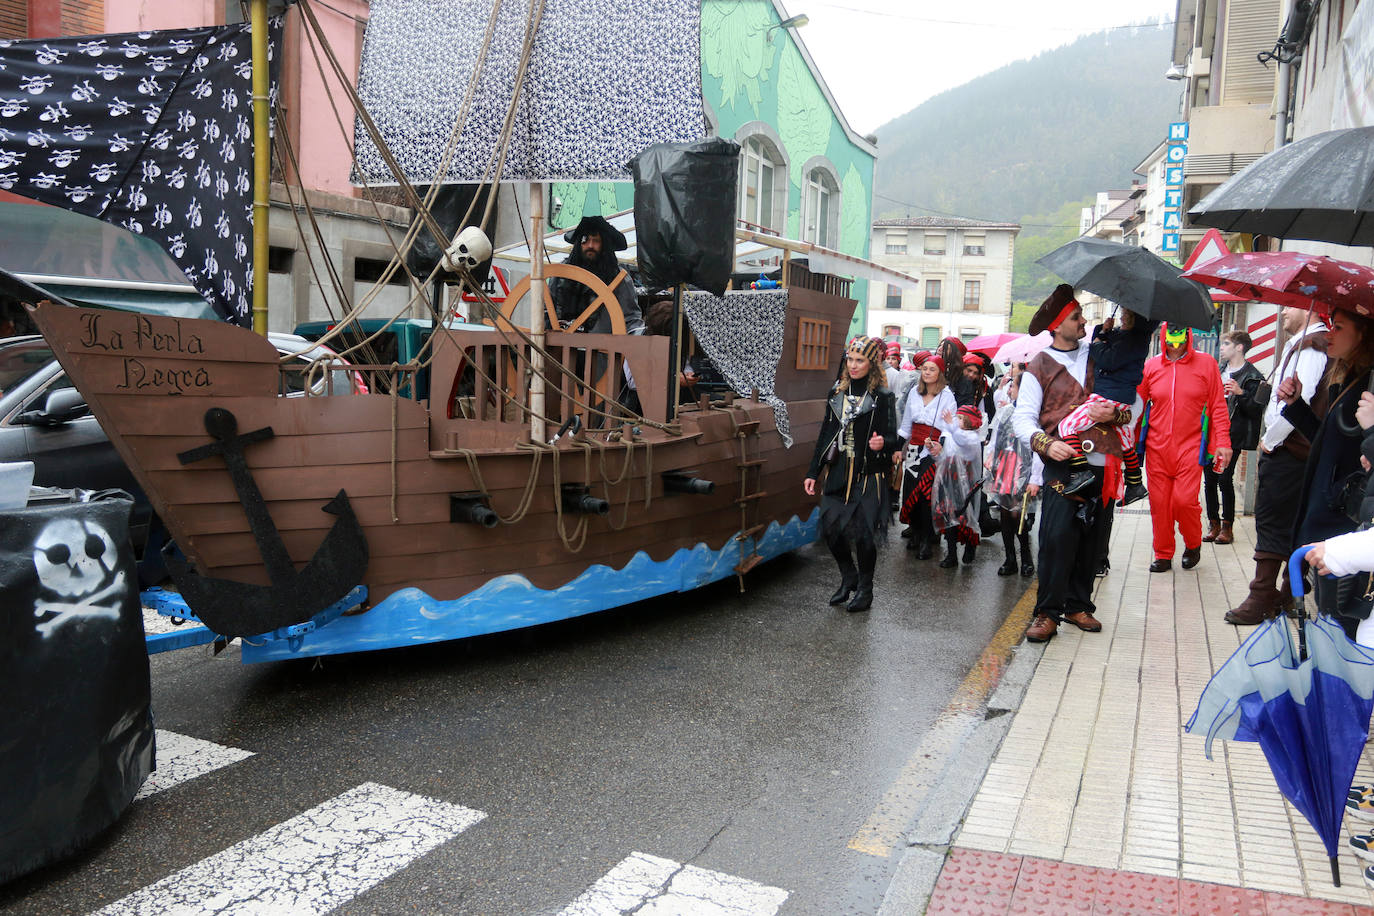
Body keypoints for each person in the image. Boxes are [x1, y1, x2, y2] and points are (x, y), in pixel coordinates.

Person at [1013, 285, 1131, 642]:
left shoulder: (1100, 356)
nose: (1083, 322)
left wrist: (1117, 413)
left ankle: (1078, 604)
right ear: (1057, 324)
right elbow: (1023, 419)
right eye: (1076, 317)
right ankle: (1046, 612)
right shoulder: (1039, 365)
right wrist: (1048, 446)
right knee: (1056, 538)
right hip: (1062, 464)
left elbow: (1131, 406)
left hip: (1103, 463)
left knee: (1092, 539)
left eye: (1081, 316)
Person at [1225, 307, 1328, 625]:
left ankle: (1263, 596)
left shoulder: (1311, 347)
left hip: (1289, 449)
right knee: (1291, 524)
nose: (1284, 312)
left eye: (1292, 306)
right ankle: (1287, 595)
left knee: (1273, 521)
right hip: (1293, 449)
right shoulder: (1303, 343)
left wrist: (1272, 438)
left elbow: (1304, 398)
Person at [1276, 303, 1374, 638]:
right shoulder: (1346, 379)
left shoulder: (1369, 388)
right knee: (1331, 624)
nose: (1330, 333)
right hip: (1325, 517)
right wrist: (1296, 407)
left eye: (1341, 327)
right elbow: (1327, 444)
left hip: (1344, 525)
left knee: (1341, 631)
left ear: (1364, 334)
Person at [804, 336, 897, 613]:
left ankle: (866, 590)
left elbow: (893, 436)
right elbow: (824, 434)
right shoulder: (836, 392)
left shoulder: (882, 397)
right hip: (839, 470)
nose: (853, 365)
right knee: (831, 529)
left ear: (872, 364)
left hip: (869, 474)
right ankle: (849, 577)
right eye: (851, 359)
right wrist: (813, 471)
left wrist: (884, 444)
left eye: (860, 360)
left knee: (865, 535)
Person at [1135, 324, 1231, 572]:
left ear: (1188, 338)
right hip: (1157, 448)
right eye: (1169, 340)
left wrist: (1223, 442)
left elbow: (1218, 406)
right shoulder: (1151, 366)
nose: (1173, 346)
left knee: (1184, 501)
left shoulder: (1206, 364)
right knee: (1159, 504)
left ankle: (1192, 543)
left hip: (1190, 446)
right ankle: (1163, 553)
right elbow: (1136, 406)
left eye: (1179, 340)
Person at [1055, 308, 1157, 505]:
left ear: (1137, 319)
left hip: (1109, 395)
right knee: (1125, 437)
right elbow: (1107, 347)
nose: (1122, 316)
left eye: (1127, 313)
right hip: (1116, 394)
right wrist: (1103, 331)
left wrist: (1097, 342)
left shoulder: (1134, 340)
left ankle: (1080, 472)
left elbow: (1108, 360)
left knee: (1067, 426)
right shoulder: (1128, 335)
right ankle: (1135, 484)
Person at [1203, 330, 1265, 545]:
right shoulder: (1219, 370)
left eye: (1227, 343)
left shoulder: (1253, 376)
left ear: (1239, 347)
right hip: (1212, 433)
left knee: (1224, 478)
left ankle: (1227, 526)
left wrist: (1241, 393)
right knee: (1209, 479)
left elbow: (1257, 410)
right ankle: (1213, 524)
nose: (1222, 347)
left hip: (1233, 436)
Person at [896, 353, 958, 558]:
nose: (927, 372)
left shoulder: (947, 396)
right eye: (925, 369)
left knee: (926, 496)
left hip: (933, 451)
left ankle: (926, 539)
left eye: (932, 369)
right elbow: (906, 424)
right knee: (910, 491)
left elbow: (950, 427)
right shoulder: (914, 392)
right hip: (914, 448)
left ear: (940, 373)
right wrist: (898, 448)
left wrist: (941, 445)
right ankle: (915, 532)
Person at [549, 215, 645, 335]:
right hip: (560, 349)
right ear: (579, 244)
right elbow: (546, 310)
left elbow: (631, 319)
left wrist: (638, 337)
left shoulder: (619, 279)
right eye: (585, 240)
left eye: (596, 241)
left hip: (601, 350)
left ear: (604, 245)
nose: (590, 245)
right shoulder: (561, 274)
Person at [986, 366, 1036, 577]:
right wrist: (991, 460)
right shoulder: (1006, 410)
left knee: (1019, 513)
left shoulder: (1035, 412)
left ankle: (1026, 557)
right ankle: (1010, 558)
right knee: (1006, 513)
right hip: (1004, 465)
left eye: (1013, 386)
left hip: (1024, 467)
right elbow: (996, 437)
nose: (1009, 390)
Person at [932, 403, 985, 567]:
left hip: (966, 481)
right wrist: (935, 450)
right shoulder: (950, 433)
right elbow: (944, 455)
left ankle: (970, 545)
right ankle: (951, 553)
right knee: (948, 515)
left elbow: (962, 441)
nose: (956, 420)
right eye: (957, 417)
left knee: (967, 516)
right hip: (948, 478)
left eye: (961, 418)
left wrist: (951, 425)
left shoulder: (972, 437)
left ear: (970, 422)